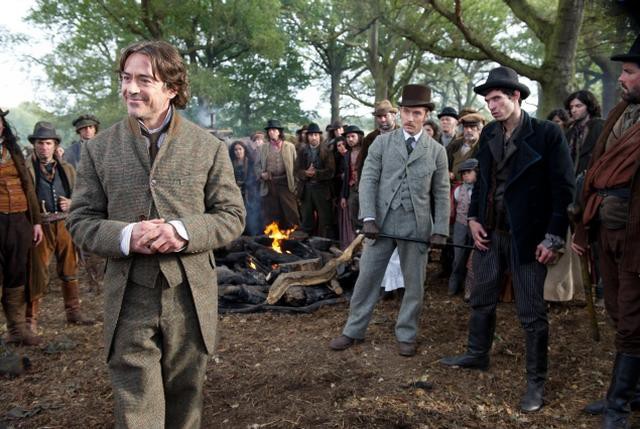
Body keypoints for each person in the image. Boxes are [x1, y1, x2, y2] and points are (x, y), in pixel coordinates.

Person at [66, 40, 245, 428]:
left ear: (172, 88)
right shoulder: (98, 149)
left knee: (185, 403)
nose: (130, 88)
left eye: (144, 80)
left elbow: (232, 216)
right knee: (136, 410)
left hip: (189, 297)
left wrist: (183, 231)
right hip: (129, 295)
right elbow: (80, 220)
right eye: (125, 78)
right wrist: (126, 236)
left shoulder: (208, 147)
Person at [439, 66, 575, 413]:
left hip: (528, 236)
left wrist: (553, 237)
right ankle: (477, 354)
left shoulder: (546, 134)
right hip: (490, 231)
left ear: (516, 96)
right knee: (481, 295)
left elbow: (564, 190)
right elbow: (482, 181)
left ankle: (536, 382)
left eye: (497, 99)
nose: (492, 106)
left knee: (531, 310)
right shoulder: (489, 134)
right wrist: (473, 218)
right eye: (488, 100)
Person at [329, 84, 450, 357]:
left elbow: (442, 193)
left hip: (416, 226)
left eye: (417, 113)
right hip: (380, 225)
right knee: (366, 279)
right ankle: (353, 330)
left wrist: (441, 229)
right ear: (400, 113)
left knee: (414, 285)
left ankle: (407, 333)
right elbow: (368, 180)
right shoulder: (382, 143)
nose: (410, 118)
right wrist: (369, 217)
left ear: (426, 115)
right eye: (406, 112)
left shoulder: (436, 151)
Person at [572, 35, 640, 429]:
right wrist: (583, 226)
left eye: (629, 72)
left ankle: (619, 406)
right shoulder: (619, 113)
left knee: (631, 319)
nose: (622, 79)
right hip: (607, 226)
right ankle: (633, 390)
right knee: (616, 309)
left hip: (637, 236)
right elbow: (597, 169)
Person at [26, 121, 94, 330]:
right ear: (34, 145)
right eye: (40, 143)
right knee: (37, 273)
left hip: (64, 224)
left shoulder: (67, 169)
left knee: (69, 270)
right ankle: (30, 321)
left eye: (48, 143)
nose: (44, 147)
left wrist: (72, 203)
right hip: (40, 227)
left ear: (55, 145)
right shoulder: (26, 169)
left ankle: (74, 313)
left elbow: (82, 193)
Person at [0, 109, 43, 346]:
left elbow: (28, 187)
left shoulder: (14, 151)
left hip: (19, 221)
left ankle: (17, 329)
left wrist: (35, 221)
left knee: (17, 273)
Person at [256, 119, 299, 229]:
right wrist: (261, 174)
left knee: (291, 211)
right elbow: (257, 165)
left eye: (274, 130)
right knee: (272, 212)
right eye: (269, 130)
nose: (271, 132)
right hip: (270, 184)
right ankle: (274, 234)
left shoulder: (290, 146)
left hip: (286, 183)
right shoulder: (263, 148)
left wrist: (296, 183)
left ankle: (293, 233)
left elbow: (296, 165)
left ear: (279, 132)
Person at [296, 123, 335, 238]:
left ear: (319, 136)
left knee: (326, 220)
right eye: (311, 135)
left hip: (322, 190)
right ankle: (306, 244)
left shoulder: (326, 151)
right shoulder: (302, 152)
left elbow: (331, 171)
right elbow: (296, 170)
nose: (313, 137)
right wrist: (305, 173)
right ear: (307, 137)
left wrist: (316, 174)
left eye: (316, 135)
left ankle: (326, 244)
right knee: (307, 220)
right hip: (306, 190)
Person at [448, 158, 478, 296]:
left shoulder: (481, 190)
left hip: (476, 227)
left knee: (474, 257)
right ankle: (454, 285)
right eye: (463, 174)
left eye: (469, 172)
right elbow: (452, 207)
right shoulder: (458, 190)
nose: (465, 176)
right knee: (458, 255)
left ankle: (470, 289)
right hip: (460, 225)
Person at [229, 140, 261, 235]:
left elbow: (254, 177)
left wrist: (245, 184)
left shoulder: (250, 162)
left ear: (244, 150)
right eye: (235, 150)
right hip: (235, 191)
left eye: (240, 149)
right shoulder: (230, 163)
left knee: (251, 211)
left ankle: (252, 231)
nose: (238, 151)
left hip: (250, 192)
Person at [446, 113, 484, 182]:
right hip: (452, 185)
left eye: (472, 127)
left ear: (479, 130)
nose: (468, 130)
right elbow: (444, 163)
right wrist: (447, 172)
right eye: (466, 127)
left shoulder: (483, 147)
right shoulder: (454, 145)